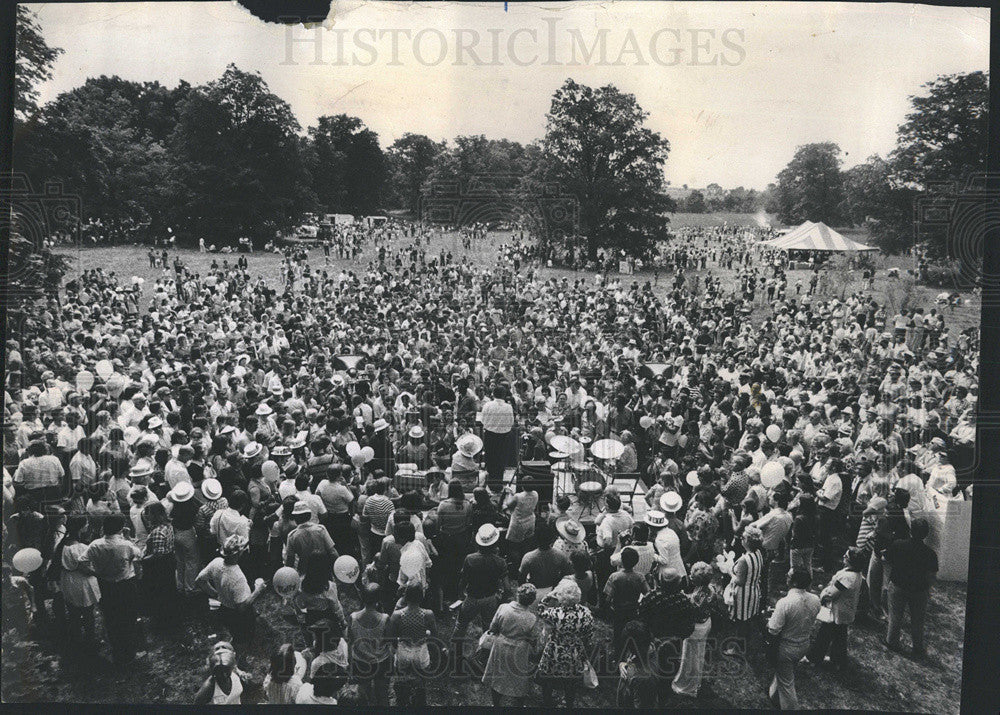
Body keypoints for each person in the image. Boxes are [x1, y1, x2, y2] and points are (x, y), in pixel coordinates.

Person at [84, 513, 143, 663]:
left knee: (111, 617)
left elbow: (82, 562)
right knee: (128, 618)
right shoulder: (126, 545)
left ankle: (116, 651)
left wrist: (96, 573)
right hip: (125, 584)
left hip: (105, 584)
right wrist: (128, 537)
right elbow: (139, 555)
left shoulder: (95, 544)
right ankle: (129, 652)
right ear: (121, 528)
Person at [195, 535, 267, 643]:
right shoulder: (237, 577)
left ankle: (235, 644)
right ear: (238, 554)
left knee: (234, 632)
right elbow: (242, 607)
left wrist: (216, 594)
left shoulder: (216, 562)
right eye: (243, 548)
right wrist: (258, 591)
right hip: (239, 615)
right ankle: (240, 653)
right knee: (244, 638)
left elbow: (199, 580)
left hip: (223, 609)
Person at [536, 579, 595, 708]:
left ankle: (547, 701)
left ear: (561, 598)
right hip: (574, 650)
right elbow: (589, 634)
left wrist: (547, 597)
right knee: (571, 681)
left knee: (548, 678)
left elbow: (540, 610)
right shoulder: (586, 613)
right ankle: (569, 703)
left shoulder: (555, 613)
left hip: (554, 649)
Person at [884, 517, 938, 659]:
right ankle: (917, 647)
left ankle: (891, 642)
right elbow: (932, 575)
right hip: (919, 590)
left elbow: (887, 559)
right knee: (918, 620)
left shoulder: (898, 545)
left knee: (895, 616)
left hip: (898, 586)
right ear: (926, 534)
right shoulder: (930, 554)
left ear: (910, 530)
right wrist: (928, 589)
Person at [766, 569, 821, 710]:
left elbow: (773, 629)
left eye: (788, 575)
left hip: (786, 648)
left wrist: (768, 621)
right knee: (785, 672)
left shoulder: (785, 603)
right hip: (804, 644)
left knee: (787, 683)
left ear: (794, 582)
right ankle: (773, 696)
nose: (786, 576)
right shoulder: (815, 599)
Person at [481, 582, 543, 706]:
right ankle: (518, 704)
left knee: (497, 677)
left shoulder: (503, 608)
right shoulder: (531, 617)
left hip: (501, 645)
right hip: (519, 650)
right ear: (531, 601)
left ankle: (496, 704)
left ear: (517, 595)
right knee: (518, 678)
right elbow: (533, 638)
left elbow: (493, 627)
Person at [807, 546, 866, 670]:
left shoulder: (847, 578)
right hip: (846, 610)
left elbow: (831, 595)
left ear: (852, 561)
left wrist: (822, 596)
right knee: (840, 635)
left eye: (847, 556)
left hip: (838, 611)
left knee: (824, 635)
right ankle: (838, 660)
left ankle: (814, 658)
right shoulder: (857, 574)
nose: (844, 557)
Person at [387, 582, 438, 707]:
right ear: (421, 596)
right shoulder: (428, 614)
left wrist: (397, 645)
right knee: (421, 685)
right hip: (420, 651)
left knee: (401, 683)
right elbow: (435, 637)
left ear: (406, 595)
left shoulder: (397, 615)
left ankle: (402, 701)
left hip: (404, 650)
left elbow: (391, 637)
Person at [672, 561, 716, 698]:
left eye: (692, 575)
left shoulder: (698, 595)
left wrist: (683, 597)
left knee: (690, 655)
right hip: (706, 623)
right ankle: (696, 681)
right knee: (699, 653)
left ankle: (687, 685)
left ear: (698, 580)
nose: (690, 576)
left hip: (696, 628)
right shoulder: (711, 589)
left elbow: (692, 609)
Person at [58, 514, 100, 648]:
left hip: (68, 579)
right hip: (81, 582)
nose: (87, 526)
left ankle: (75, 638)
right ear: (81, 527)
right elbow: (85, 569)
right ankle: (90, 639)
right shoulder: (80, 547)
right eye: (86, 524)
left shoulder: (63, 544)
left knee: (73, 612)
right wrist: (100, 573)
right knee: (88, 613)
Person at [348, 583, 392, 707]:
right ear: (378, 599)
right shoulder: (385, 618)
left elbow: (350, 641)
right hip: (381, 661)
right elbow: (389, 641)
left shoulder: (353, 617)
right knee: (382, 695)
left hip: (360, 662)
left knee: (363, 696)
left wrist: (350, 663)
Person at [724, 525, 765, 656]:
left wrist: (730, 571)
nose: (741, 539)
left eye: (743, 537)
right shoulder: (758, 553)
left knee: (741, 622)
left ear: (747, 541)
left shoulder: (743, 560)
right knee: (747, 620)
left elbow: (740, 581)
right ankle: (747, 641)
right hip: (754, 589)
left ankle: (738, 648)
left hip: (743, 594)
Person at [604, 546, 649, 659]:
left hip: (618, 610)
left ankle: (618, 657)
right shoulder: (639, 577)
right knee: (632, 633)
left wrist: (609, 608)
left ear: (622, 560)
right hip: (633, 610)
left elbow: (607, 598)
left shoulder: (615, 577)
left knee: (618, 634)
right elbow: (648, 593)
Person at [519, 522, 573, 605]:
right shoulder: (560, 555)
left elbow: (521, 579)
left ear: (536, 539)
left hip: (535, 591)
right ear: (551, 539)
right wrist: (557, 583)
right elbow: (567, 572)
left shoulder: (529, 557)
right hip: (553, 590)